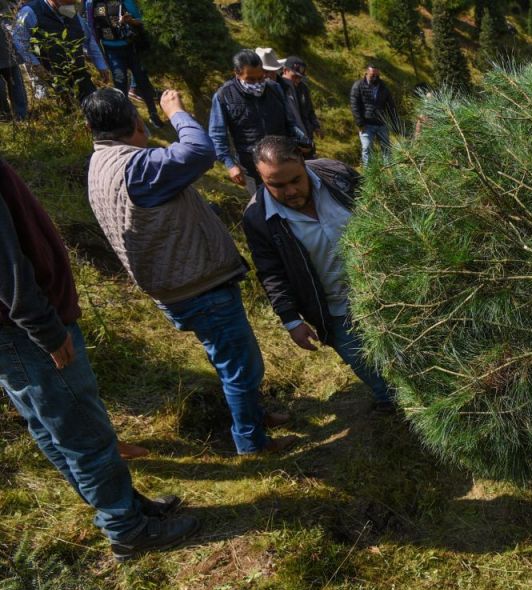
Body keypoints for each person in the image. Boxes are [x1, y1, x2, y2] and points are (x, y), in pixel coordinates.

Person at [0, 158, 198, 561]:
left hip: (19, 330)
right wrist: (44, 327)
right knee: (82, 433)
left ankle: (122, 507)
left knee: (54, 428)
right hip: (25, 330)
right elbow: (4, 265)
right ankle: (126, 527)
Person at [82, 88, 291, 456]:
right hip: (198, 286)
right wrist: (176, 112)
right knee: (242, 366)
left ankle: (254, 417)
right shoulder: (137, 168)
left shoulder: (100, 165)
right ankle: (252, 444)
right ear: (136, 122)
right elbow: (199, 151)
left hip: (176, 285)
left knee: (227, 357)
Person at [241, 136, 393, 411]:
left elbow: (381, 209)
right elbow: (271, 273)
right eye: (276, 185)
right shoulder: (257, 217)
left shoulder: (336, 175)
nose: (289, 192)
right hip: (332, 309)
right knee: (364, 363)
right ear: (261, 178)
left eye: (295, 180)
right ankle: (391, 405)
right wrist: (290, 320)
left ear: (302, 160)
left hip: (385, 289)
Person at [209, 49, 309, 194]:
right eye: (250, 79)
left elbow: (290, 121)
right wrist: (230, 165)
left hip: (285, 159)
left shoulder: (274, 89)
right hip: (252, 166)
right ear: (237, 74)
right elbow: (217, 135)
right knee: (265, 208)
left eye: (260, 78)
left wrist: (302, 140)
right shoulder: (224, 96)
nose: (257, 83)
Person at [12, 0, 109, 103]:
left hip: (77, 71)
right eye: (66, 4)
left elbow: (88, 38)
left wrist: (101, 65)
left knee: (93, 103)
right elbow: (19, 39)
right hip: (51, 76)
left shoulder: (69, 10)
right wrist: (35, 64)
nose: (70, 7)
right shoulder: (30, 11)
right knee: (65, 109)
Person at [84, 0, 162, 128]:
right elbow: (92, 28)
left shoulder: (126, 1)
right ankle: (127, 120)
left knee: (143, 81)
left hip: (132, 48)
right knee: (120, 84)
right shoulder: (91, 3)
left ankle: (153, 114)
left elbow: (141, 20)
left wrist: (130, 21)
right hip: (111, 52)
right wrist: (97, 55)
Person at [349, 63, 396, 167]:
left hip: (381, 123)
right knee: (366, 148)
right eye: (372, 75)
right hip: (366, 124)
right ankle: (369, 176)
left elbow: (391, 106)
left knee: (387, 150)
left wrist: (394, 123)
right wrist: (360, 123)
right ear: (366, 73)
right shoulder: (358, 86)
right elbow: (354, 105)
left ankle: (389, 174)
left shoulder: (384, 87)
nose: (375, 77)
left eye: (377, 75)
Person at [281, 55, 322, 155]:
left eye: (300, 77)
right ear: (285, 70)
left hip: (307, 135)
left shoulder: (303, 88)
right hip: (290, 139)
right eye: (294, 77)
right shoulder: (279, 88)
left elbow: (310, 110)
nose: (297, 80)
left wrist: (316, 126)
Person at [0, 1, 28, 120]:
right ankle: (4, 115)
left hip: (3, 43)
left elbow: (8, 11)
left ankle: (21, 115)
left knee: (14, 79)